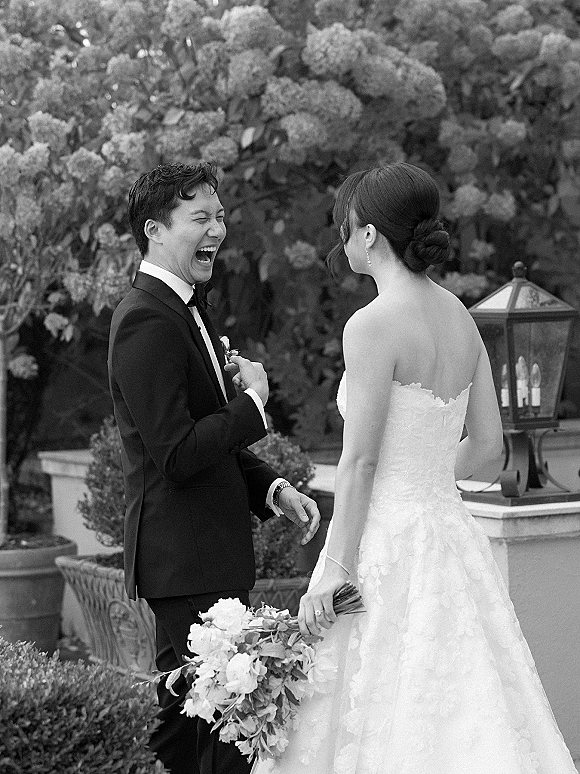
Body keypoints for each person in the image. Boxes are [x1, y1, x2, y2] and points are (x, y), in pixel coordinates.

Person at [253, 163, 577, 773]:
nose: (341, 242)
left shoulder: (371, 325)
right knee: (469, 703)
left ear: (370, 234)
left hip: (382, 540)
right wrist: (426, 484)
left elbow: (361, 460)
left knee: (371, 704)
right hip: (449, 534)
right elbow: (488, 450)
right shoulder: (461, 315)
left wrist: (336, 569)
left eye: (345, 228)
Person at [108, 161, 320, 774]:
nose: (217, 230)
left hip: (202, 555)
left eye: (219, 215)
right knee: (222, 732)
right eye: (199, 218)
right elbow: (175, 454)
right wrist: (253, 404)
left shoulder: (185, 308)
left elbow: (204, 439)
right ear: (154, 229)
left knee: (189, 731)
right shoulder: (146, 317)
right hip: (185, 561)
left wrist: (271, 488)